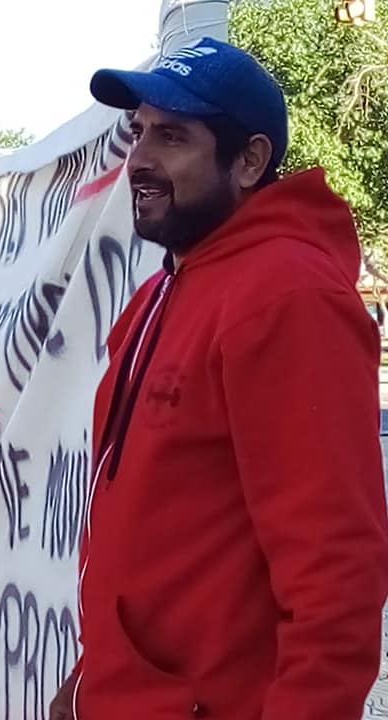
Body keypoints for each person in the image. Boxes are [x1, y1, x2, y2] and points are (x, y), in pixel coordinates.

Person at [50, 38, 388, 720]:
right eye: (138, 132)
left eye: (172, 137)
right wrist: (92, 679)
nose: (140, 159)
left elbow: (336, 573)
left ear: (250, 160)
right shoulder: (161, 292)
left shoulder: (289, 296)